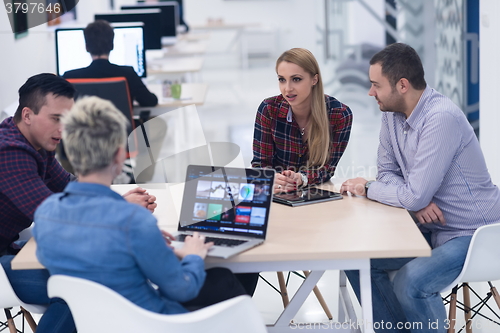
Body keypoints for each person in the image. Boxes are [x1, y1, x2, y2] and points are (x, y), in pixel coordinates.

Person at [33, 96, 248, 314]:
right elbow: (183, 289)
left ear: (70, 152)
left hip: (94, 323)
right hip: (156, 324)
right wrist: (192, 254)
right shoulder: (134, 221)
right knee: (225, 279)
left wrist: (146, 245)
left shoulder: (45, 215)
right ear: (119, 155)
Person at [340, 43, 500, 332]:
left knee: (411, 281)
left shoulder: (441, 118)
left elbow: (404, 191)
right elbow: (389, 174)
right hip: (433, 228)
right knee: (356, 259)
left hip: (475, 234)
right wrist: (416, 199)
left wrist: (371, 187)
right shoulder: (390, 114)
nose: (370, 92)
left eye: (376, 85)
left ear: (402, 85)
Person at [0, 73, 156, 333]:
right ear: (27, 115)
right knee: (90, 284)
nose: (64, 129)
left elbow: (71, 187)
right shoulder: (10, 153)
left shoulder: (37, 145)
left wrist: (117, 201)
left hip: (12, 250)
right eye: (56, 119)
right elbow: (56, 217)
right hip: (4, 264)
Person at [252, 48, 353, 194]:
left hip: (316, 193)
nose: (288, 89)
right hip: (277, 193)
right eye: (282, 79)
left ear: (314, 79)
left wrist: (301, 178)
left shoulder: (340, 115)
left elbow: (327, 168)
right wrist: (272, 178)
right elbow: (260, 163)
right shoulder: (269, 109)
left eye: (296, 79)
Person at [63, 20, 158, 107]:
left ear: (87, 47)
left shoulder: (69, 77)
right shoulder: (127, 74)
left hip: (81, 126)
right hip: (120, 126)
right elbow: (150, 101)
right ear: (112, 46)